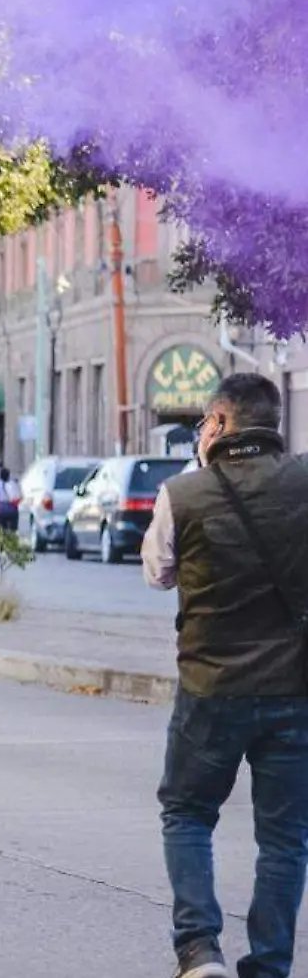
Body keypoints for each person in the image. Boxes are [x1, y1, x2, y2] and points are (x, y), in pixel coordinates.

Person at [142, 373, 308, 978]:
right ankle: (268, 967)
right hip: (294, 688)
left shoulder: (183, 494)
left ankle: (199, 950)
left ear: (218, 423)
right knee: (286, 838)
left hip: (210, 687)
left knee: (187, 813)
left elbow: (157, 573)